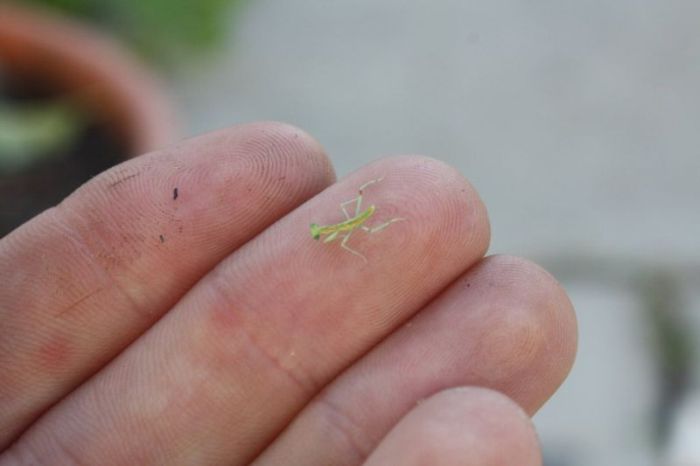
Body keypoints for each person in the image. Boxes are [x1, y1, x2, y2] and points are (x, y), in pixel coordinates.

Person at [0, 122, 577, 465]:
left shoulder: (348, 228)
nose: (322, 234)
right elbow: (335, 237)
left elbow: (349, 233)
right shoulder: (333, 236)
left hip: (369, 223)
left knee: (376, 222)